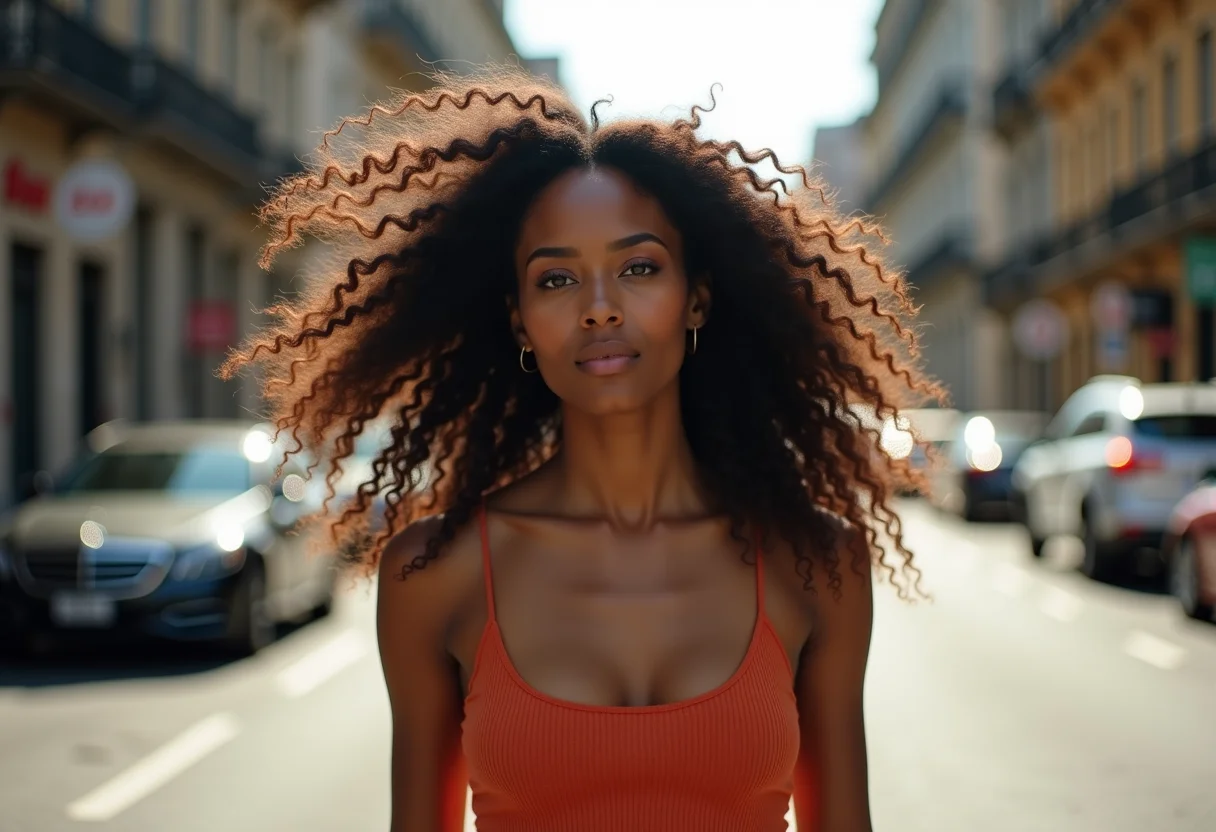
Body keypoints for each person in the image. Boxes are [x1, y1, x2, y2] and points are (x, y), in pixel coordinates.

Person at [222, 67, 939, 832]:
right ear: (521, 320)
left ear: (696, 296)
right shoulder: (434, 574)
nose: (599, 309)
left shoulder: (818, 565)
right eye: (557, 278)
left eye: (638, 268)